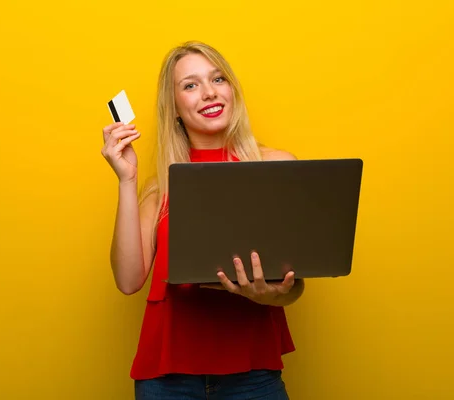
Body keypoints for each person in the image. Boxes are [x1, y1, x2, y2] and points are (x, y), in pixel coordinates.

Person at [101, 41, 305, 400]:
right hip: (167, 381)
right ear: (175, 108)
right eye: (190, 85)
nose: (209, 93)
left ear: (232, 90)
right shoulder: (161, 185)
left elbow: (296, 285)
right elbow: (128, 280)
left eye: (218, 79)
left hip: (253, 375)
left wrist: (270, 296)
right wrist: (126, 179)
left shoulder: (278, 167)